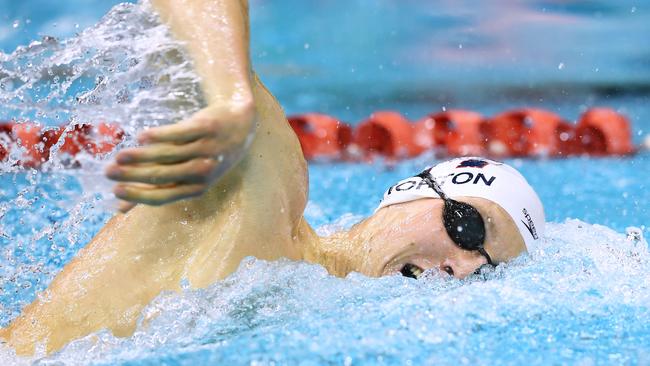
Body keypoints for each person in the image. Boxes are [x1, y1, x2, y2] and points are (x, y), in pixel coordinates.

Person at [0, 0, 545, 356]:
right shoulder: (259, 202)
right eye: (469, 229)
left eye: (487, 269)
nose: (464, 266)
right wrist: (232, 97)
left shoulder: (323, 314)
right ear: (406, 194)